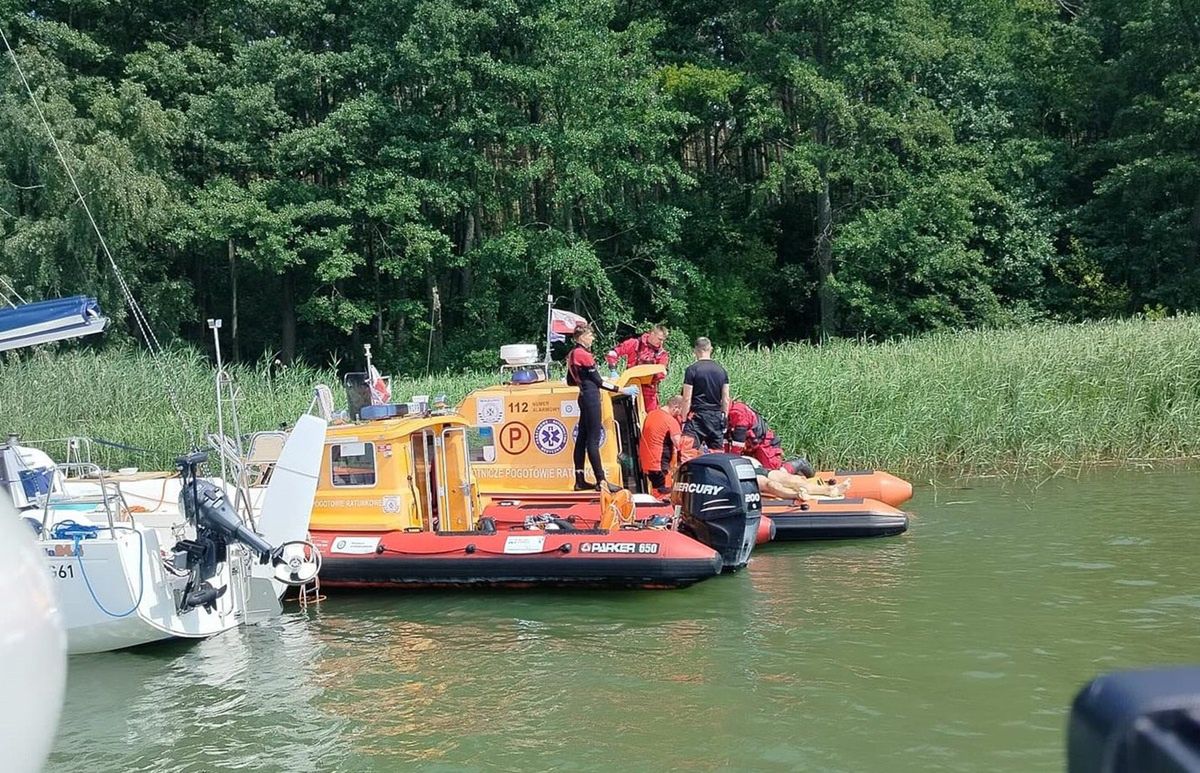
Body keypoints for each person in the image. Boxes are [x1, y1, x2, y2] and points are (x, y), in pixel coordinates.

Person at [566, 322, 639, 491]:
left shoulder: (571, 354)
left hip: (583, 395)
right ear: (582, 337)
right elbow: (599, 382)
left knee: (582, 439)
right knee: (593, 439)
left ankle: (579, 480)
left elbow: (570, 380)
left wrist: (583, 380)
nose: (593, 338)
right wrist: (622, 390)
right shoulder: (584, 354)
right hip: (591, 397)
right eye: (590, 335)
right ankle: (601, 481)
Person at [726, 399, 815, 476]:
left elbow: (738, 445)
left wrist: (732, 464)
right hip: (750, 448)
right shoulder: (722, 414)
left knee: (775, 474)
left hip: (765, 444)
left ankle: (800, 463)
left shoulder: (738, 412)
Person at [679, 337, 729, 451]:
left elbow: (686, 398)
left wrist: (684, 420)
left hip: (697, 417)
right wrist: (724, 417)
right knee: (716, 454)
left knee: (688, 453)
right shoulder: (722, 371)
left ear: (695, 350)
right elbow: (725, 399)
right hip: (715, 417)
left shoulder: (692, 370)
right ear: (710, 349)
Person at [609, 324, 670, 411]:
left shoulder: (662, 354)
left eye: (663, 340)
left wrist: (650, 375)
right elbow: (613, 353)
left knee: (651, 417)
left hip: (649, 392)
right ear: (652, 334)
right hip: (630, 388)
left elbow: (662, 373)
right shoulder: (635, 343)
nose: (661, 343)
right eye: (659, 339)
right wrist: (613, 370)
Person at [639, 395, 684, 494]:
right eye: (680, 411)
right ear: (676, 407)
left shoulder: (651, 414)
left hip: (647, 462)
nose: (680, 415)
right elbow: (678, 443)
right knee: (664, 495)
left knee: (655, 490)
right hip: (660, 464)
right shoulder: (670, 421)